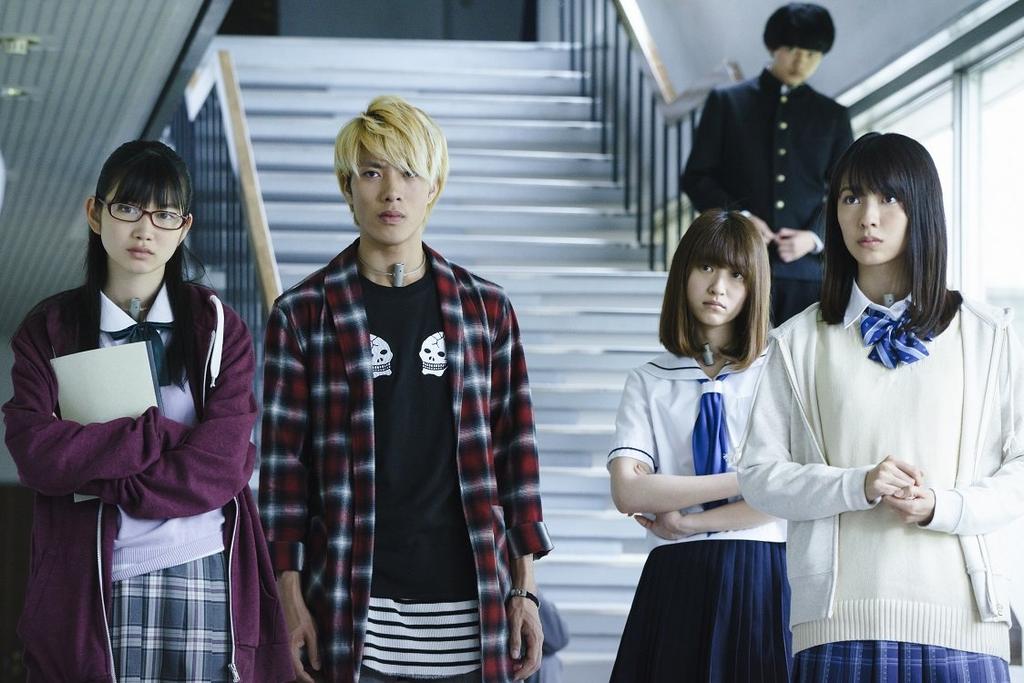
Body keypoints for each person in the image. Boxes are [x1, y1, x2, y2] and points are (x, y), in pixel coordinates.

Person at [259, 95, 553, 683]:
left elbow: (516, 456)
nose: (391, 192)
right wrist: (288, 600)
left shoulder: (486, 310)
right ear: (348, 188)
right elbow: (283, 472)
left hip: (472, 608)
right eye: (372, 173)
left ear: (433, 186)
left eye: (410, 173)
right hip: (350, 608)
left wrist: (525, 590)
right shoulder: (302, 313)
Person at [2, 140, 292, 681]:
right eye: (128, 207)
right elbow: (36, 454)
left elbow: (221, 466)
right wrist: (158, 437)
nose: (145, 229)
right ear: (95, 213)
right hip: (92, 583)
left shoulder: (217, 326)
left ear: (183, 228)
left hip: (202, 566)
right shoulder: (51, 327)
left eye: (164, 215)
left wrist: (97, 469)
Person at [738, 132, 1024, 680]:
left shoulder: (988, 335)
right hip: (837, 624)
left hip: (963, 623)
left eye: (889, 197)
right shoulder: (797, 341)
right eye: (851, 198)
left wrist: (943, 506)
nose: (867, 217)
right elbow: (759, 476)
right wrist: (858, 484)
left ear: (923, 208)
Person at [606, 210, 791, 682]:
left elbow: (789, 495)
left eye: (736, 274)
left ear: (755, 286)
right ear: (683, 274)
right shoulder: (649, 380)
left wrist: (686, 519)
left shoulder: (779, 373)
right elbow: (628, 492)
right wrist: (753, 480)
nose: (718, 287)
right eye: (706, 267)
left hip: (762, 572)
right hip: (676, 575)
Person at [681, 2, 853, 324]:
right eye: (792, 50)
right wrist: (741, 218)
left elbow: (847, 191)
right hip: (735, 266)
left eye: (812, 54)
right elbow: (696, 177)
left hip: (807, 274)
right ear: (774, 47)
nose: (801, 61)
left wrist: (814, 237)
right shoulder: (727, 102)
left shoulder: (833, 116)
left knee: (800, 356)